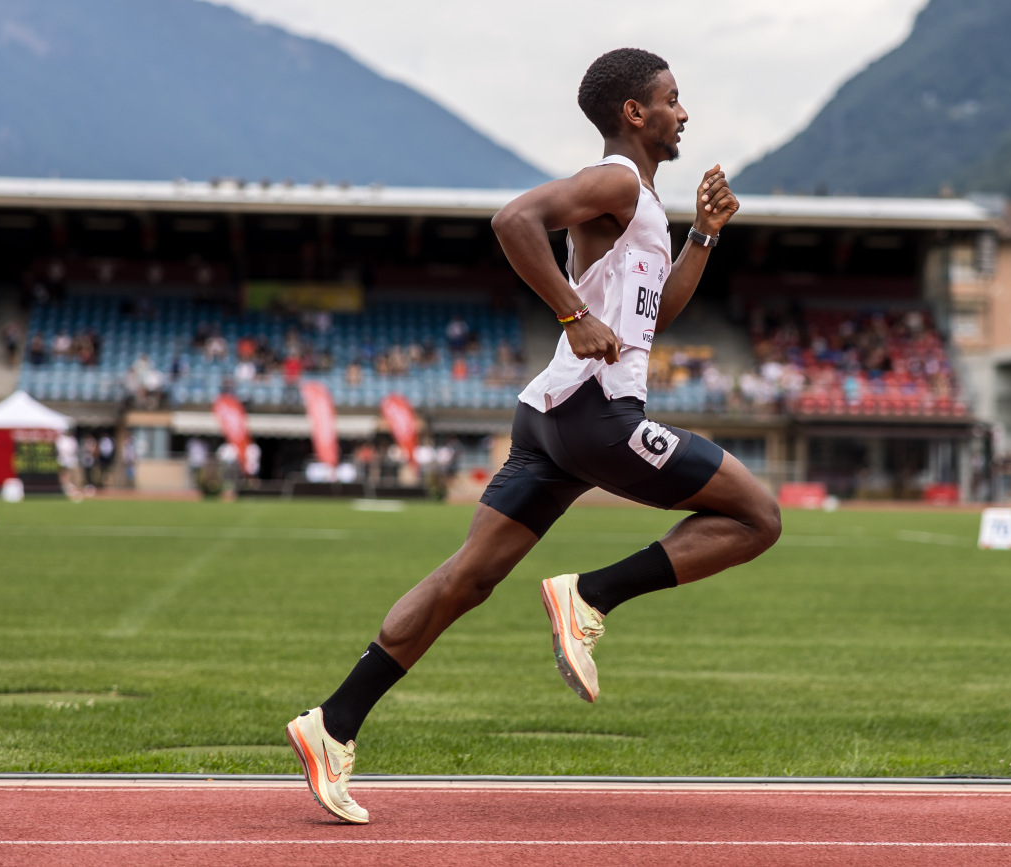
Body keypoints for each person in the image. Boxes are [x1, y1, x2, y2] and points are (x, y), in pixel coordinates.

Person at [284, 48, 781, 825]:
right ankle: (589, 594)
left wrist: (705, 236)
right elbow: (513, 218)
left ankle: (332, 723)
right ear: (634, 114)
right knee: (758, 517)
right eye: (673, 99)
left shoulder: (643, 203)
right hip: (595, 417)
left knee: (467, 578)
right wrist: (574, 315)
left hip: (549, 419)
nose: (685, 113)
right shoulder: (616, 179)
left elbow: (656, 320)